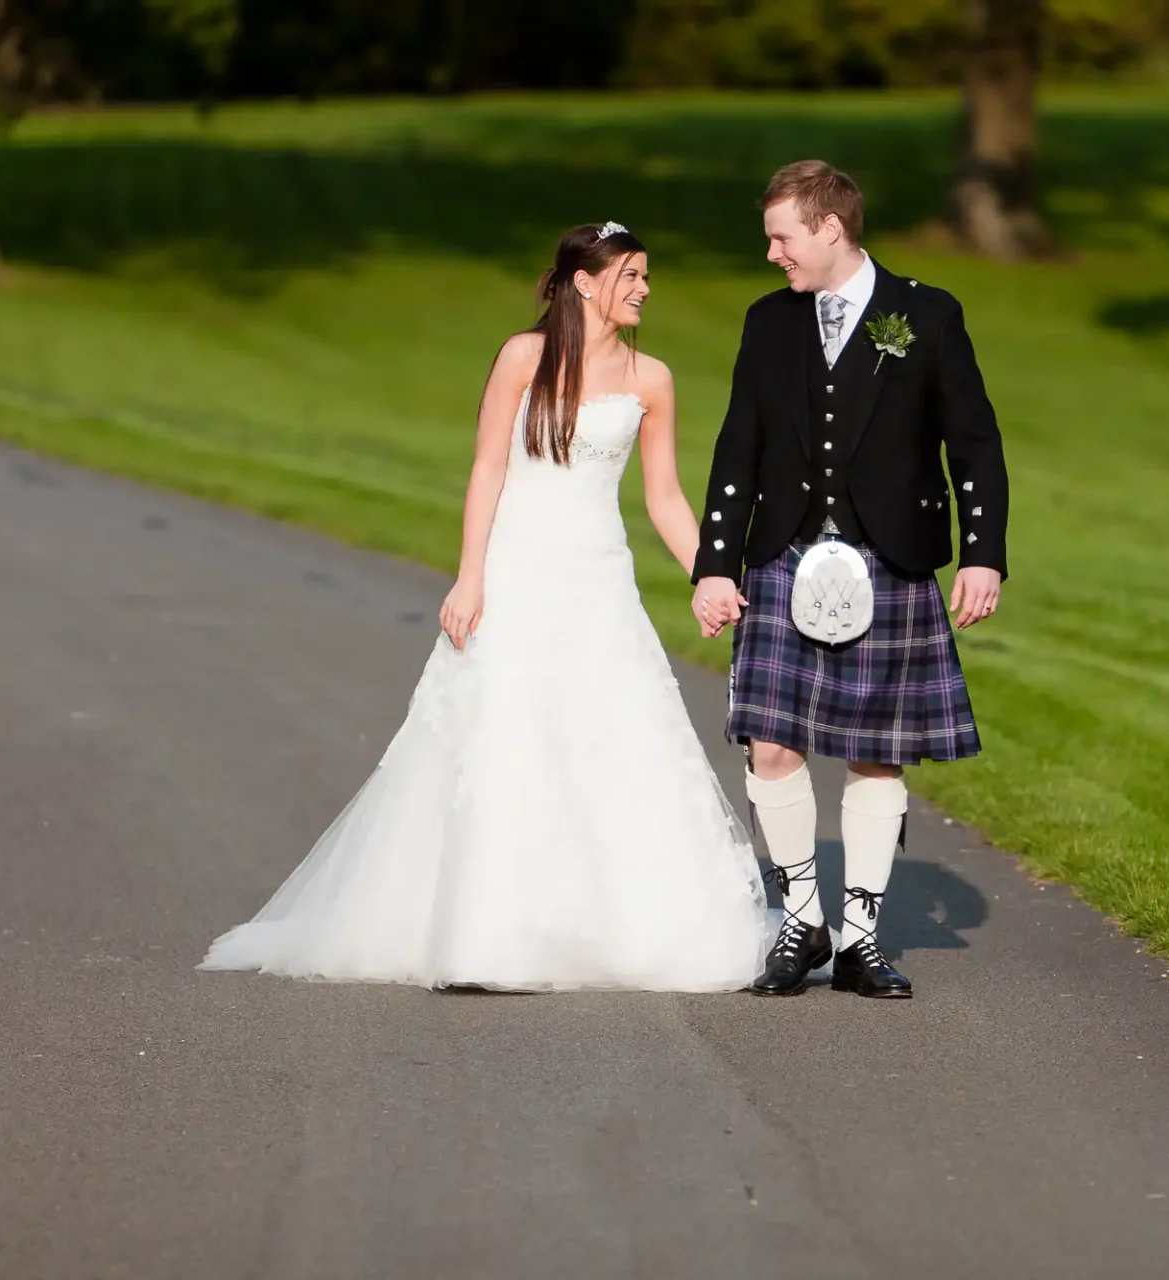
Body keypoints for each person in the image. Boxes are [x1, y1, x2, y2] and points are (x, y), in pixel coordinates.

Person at [202, 222, 770, 992]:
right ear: (583, 282)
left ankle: (616, 928)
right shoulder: (521, 358)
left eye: (645, 276)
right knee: (505, 736)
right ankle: (485, 934)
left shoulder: (651, 379)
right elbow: (488, 468)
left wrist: (710, 573)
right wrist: (470, 577)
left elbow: (665, 498)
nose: (643, 288)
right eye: (630, 275)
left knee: (612, 736)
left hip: (599, 581)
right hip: (518, 573)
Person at [690, 161, 1010, 999]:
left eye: (782, 237)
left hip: (891, 556)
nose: (772, 254)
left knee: (878, 753)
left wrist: (983, 550)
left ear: (830, 229)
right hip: (785, 554)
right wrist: (717, 564)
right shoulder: (769, 324)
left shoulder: (927, 315)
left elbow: (972, 443)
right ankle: (803, 922)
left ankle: (862, 939)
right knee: (770, 741)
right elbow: (739, 448)